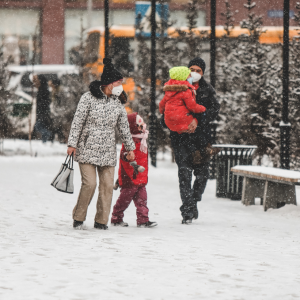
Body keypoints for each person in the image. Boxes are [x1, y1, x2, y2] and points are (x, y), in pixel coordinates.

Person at [67, 58, 135, 230]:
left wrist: (130, 148)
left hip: (107, 151)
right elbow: (78, 121)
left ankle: (101, 221)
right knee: (90, 184)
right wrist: (72, 144)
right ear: (109, 83)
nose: (121, 86)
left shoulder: (118, 102)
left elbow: (124, 127)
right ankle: (79, 217)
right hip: (87, 148)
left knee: (107, 187)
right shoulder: (87, 98)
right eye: (119, 82)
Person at [166, 57, 220, 224]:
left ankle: (193, 200)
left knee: (203, 175)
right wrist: (172, 122)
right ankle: (188, 211)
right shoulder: (176, 87)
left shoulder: (207, 90)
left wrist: (197, 119)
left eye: (199, 70)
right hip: (181, 138)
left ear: (203, 73)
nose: (195, 73)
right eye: (192, 69)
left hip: (201, 139)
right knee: (184, 173)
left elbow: (214, 111)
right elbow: (166, 111)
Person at [111, 113, 157, 228]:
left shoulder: (143, 140)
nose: (143, 129)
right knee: (124, 200)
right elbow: (123, 155)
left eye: (143, 126)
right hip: (129, 177)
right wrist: (126, 155)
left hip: (140, 176)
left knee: (142, 199)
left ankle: (143, 219)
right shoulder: (129, 141)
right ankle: (116, 217)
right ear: (133, 127)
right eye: (140, 126)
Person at [159, 66, 206, 133]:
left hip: (169, 122)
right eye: (189, 75)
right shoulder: (186, 90)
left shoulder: (169, 91)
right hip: (183, 120)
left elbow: (161, 105)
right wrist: (203, 108)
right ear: (184, 77)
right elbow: (192, 107)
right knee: (196, 124)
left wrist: (164, 112)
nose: (191, 76)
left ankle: (180, 130)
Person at [32, 74, 52, 143]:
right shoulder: (42, 89)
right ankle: (45, 141)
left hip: (43, 112)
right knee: (41, 126)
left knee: (38, 126)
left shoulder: (43, 90)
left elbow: (45, 102)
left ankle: (48, 135)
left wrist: (42, 111)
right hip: (42, 112)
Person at [49, 79, 65, 143]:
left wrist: (56, 110)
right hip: (58, 111)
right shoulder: (57, 90)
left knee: (56, 126)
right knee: (57, 126)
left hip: (58, 111)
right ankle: (59, 138)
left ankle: (58, 138)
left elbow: (58, 102)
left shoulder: (58, 91)